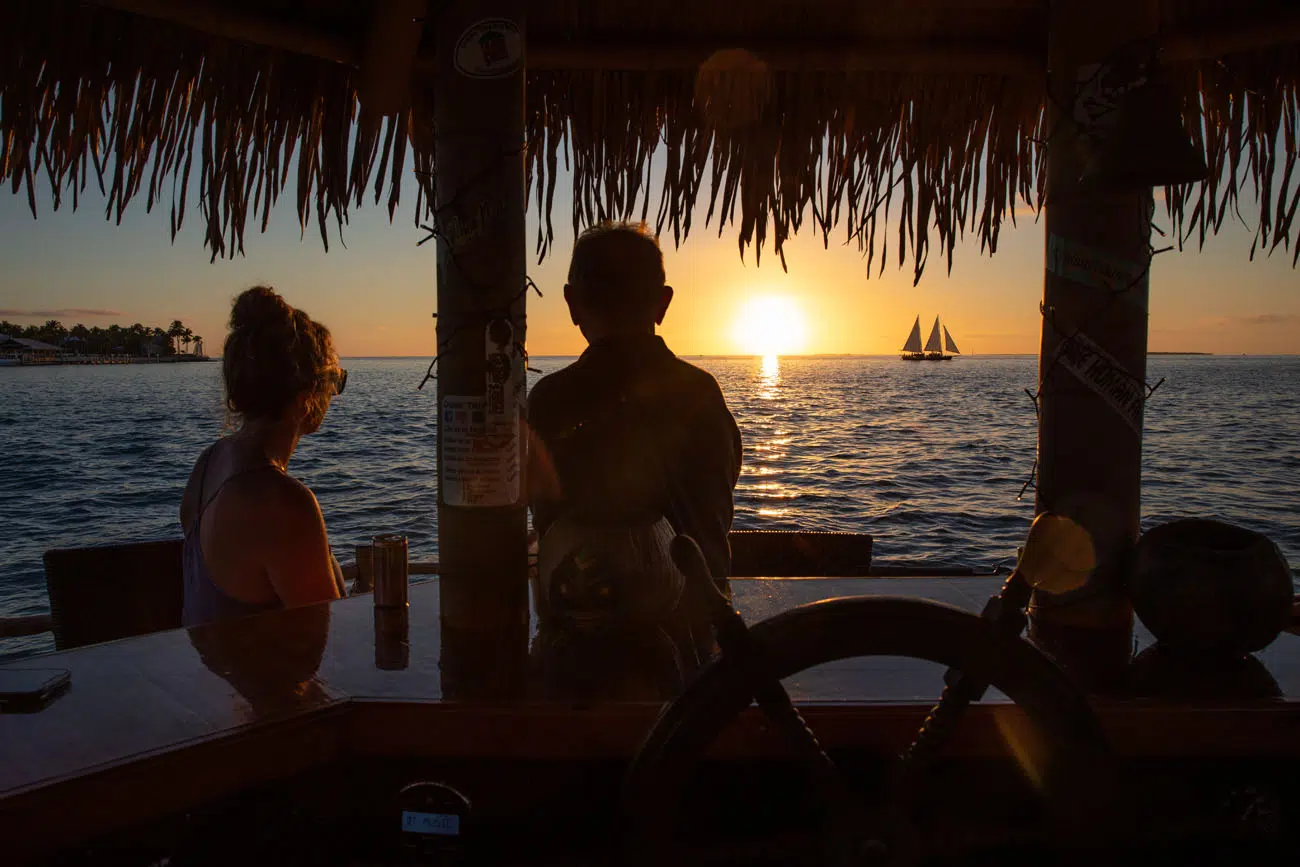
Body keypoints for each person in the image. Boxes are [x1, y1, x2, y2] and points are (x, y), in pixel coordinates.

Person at [527, 221, 743, 623]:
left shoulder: (547, 401)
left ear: (572, 303)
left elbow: (545, 518)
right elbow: (717, 502)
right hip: (700, 629)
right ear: (663, 303)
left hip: (579, 630)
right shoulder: (702, 394)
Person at [180, 286, 346, 626]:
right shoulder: (281, 503)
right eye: (334, 382)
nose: (334, 394)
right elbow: (331, 649)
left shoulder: (208, 464)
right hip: (266, 678)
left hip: (206, 676)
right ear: (306, 399)